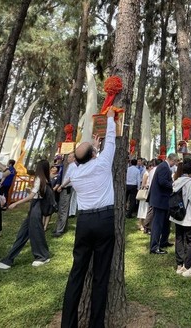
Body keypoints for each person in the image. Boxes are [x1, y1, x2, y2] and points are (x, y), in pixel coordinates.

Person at [61, 110, 116, 328]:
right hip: (104, 220)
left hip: (84, 223)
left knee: (77, 274)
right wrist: (110, 117)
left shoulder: (73, 172)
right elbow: (110, 140)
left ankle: (68, 324)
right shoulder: (102, 164)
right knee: (101, 276)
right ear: (94, 154)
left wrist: (93, 146)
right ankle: (96, 324)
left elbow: (80, 158)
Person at [0, 160, 52, 270]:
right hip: (35, 207)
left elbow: (32, 196)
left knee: (35, 233)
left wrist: (16, 203)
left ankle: (42, 256)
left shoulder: (40, 178)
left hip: (36, 207)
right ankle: (9, 259)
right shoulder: (44, 179)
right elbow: (35, 194)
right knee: (24, 233)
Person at [171, 158, 191, 277]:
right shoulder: (190, 183)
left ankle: (179, 265)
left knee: (179, 238)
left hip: (177, 215)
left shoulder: (176, 182)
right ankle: (187, 266)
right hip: (188, 216)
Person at [149, 153, 178, 254]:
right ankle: (154, 247)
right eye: (174, 162)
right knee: (158, 224)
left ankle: (163, 241)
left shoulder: (164, 167)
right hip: (160, 200)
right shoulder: (163, 167)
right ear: (171, 160)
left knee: (166, 223)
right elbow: (162, 182)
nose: (174, 164)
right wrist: (173, 185)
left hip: (163, 200)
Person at [137, 163, 151, 232]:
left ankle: (144, 223)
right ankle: (140, 224)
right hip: (145, 193)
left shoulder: (149, 173)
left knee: (146, 209)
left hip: (148, 193)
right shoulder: (146, 173)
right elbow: (143, 184)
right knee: (142, 208)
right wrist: (146, 186)